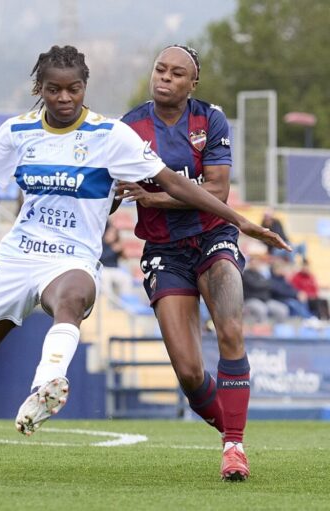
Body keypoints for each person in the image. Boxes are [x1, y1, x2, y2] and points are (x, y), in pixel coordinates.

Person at [0, 45, 287, 475]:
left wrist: (239, 221)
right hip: (19, 257)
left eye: (74, 89)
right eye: (54, 90)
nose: (65, 98)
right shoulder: (18, 132)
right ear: (40, 89)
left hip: (76, 256)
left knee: (73, 299)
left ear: (86, 88)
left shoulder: (112, 135)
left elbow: (172, 182)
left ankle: (46, 384)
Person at [118, 45, 268, 481]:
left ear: (192, 83)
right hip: (164, 251)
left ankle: (234, 447)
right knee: (187, 371)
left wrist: (153, 198)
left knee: (231, 328)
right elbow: (113, 188)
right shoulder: (129, 127)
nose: (165, 78)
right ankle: (231, 434)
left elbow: (217, 192)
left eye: (176, 73)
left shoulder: (210, 119)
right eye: (160, 69)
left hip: (213, 238)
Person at [242, 252, 290, 323]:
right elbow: (256, 285)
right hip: (250, 301)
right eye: (254, 261)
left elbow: (269, 285)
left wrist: (264, 284)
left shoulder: (261, 274)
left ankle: (278, 331)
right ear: (250, 262)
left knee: (283, 309)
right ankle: (262, 332)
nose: (256, 263)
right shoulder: (245, 274)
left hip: (265, 300)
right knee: (262, 309)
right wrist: (266, 284)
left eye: (257, 261)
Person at [99, 220, 134, 298]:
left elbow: (125, 258)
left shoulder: (116, 244)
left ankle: (126, 301)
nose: (111, 235)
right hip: (104, 269)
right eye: (109, 233)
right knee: (105, 278)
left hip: (115, 269)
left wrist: (121, 250)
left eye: (113, 234)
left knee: (126, 279)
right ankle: (108, 302)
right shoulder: (101, 243)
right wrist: (112, 250)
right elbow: (101, 258)